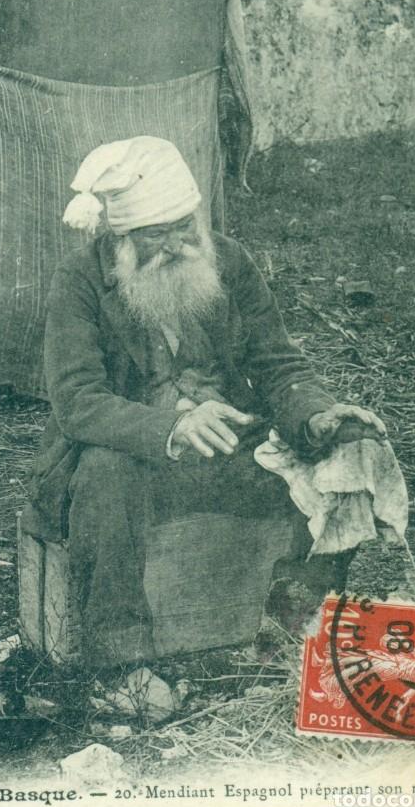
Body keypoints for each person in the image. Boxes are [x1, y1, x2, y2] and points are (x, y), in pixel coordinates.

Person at [28, 136, 387, 667]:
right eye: (155, 234)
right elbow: (78, 400)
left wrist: (317, 416)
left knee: (344, 454)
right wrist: (171, 428)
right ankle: (120, 661)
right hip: (133, 462)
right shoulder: (80, 280)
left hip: (228, 452)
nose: (177, 244)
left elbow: (277, 364)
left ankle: (295, 630)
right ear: (119, 234)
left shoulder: (230, 261)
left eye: (184, 227)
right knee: (108, 474)